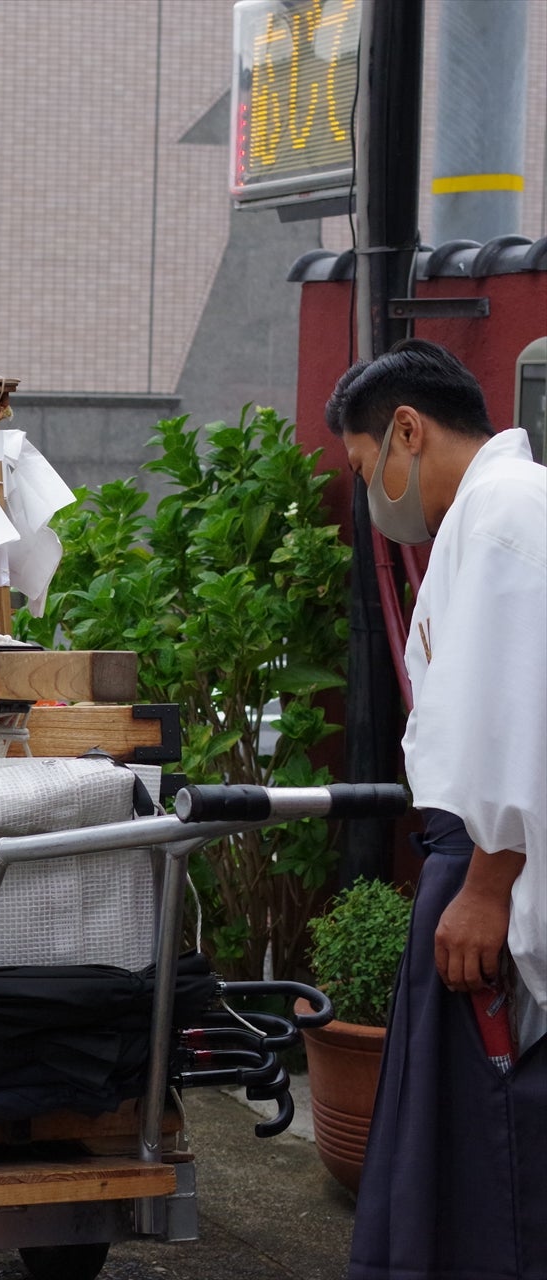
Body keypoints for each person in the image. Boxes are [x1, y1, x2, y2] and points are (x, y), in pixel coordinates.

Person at [329, 338, 546, 1279]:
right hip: (474, 857)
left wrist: (491, 882)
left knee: (490, 1143)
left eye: (364, 464)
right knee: (461, 1145)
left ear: (406, 431)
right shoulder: (492, 516)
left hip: (495, 861)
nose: (371, 491)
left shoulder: (508, 517)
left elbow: (523, 714)